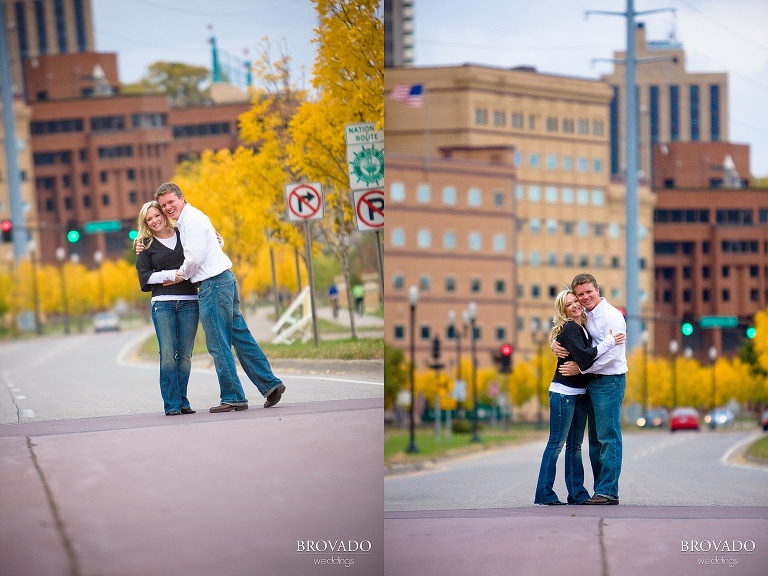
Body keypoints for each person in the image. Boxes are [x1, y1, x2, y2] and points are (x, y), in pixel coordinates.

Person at [154, 182, 286, 413]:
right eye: (163, 205)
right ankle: (270, 384)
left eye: (171, 202)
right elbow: (213, 244)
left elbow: (194, 259)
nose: (167, 208)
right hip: (223, 281)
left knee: (218, 343)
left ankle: (233, 396)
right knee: (240, 338)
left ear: (182, 198)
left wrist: (178, 276)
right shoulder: (192, 220)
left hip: (213, 285)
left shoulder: (191, 220)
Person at [534, 289, 624, 505]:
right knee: (556, 443)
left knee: (574, 446)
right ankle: (544, 493)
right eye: (569, 304)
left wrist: (555, 342)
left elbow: (580, 355)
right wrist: (610, 341)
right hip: (563, 394)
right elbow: (584, 358)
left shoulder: (582, 326)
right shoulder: (571, 327)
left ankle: (577, 494)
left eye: (576, 300)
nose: (575, 305)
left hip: (579, 394)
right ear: (562, 310)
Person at [134, 201, 198, 416]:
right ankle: (172, 404)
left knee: (186, 355)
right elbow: (145, 277)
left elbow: (198, 255)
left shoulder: (183, 233)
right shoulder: (145, 244)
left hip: (190, 300)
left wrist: (220, 240)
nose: (154, 221)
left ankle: (183, 400)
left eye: (156, 215)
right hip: (163, 304)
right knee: (168, 354)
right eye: (148, 219)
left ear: (163, 213)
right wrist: (172, 276)